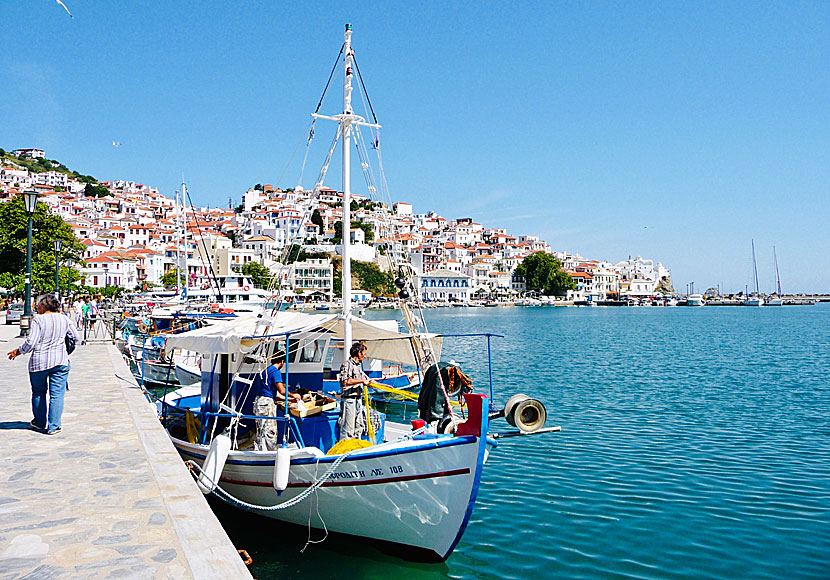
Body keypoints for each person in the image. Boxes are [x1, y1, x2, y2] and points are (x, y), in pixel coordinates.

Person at [7, 294, 79, 435]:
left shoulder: (38, 320)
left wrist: (19, 351)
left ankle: (40, 423)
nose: (36, 307)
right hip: (60, 361)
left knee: (39, 392)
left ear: (44, 306)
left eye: (38, 304)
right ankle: (54, 426)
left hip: (39, 362)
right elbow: (75, 336)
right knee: (57, 395)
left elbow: (31, 342)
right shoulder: (64, 319)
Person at [251, 351, 301, 451]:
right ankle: (270, 454)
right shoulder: (276, 371)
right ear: (282, 361)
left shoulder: (266, 370)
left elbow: (274, 393)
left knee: (261, 430)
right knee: (270, 431)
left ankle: (261, 452)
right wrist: (293, 394)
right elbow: (282, 391)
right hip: (267, 404)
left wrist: (290, 399)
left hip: (259, 402)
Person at [338, 342, 370, 440]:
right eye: (364, 354)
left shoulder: (358, 366)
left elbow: (366, 379)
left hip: (358, 400)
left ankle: (356, 447)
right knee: (348, 428)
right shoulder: (346, 365)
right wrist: (362, 381)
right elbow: (345, 381)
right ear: (359, 353)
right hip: (349, 401)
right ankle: (345, 450)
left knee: (358, 427)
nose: (365, 356)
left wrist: (382, 385)